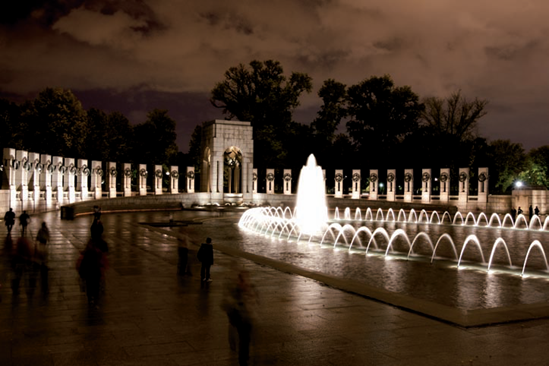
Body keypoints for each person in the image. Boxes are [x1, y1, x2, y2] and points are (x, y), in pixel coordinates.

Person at [222, 270, 258, 366]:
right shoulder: (235, 291)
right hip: (241, 320)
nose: (246, 282)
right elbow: (228, 305)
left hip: (248, 318)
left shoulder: (250, 288)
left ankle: (245, 357)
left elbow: (255, 300)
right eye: (243, 280)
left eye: (247, 278)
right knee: (244, 340)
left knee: (246, 339)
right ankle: (243, 360)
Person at [76, 239, 108, 306]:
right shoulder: (99, 253)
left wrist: (81, 271)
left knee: (89, 286)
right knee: (96, 286)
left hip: (89, 273)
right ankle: (95, 298)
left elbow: (80, 263)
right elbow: (103, 263)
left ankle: (90, 298)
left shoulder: (86, 253)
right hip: (96, 273)